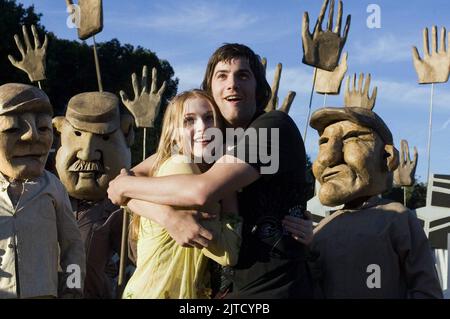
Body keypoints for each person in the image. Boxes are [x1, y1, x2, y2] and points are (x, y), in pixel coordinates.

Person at [108, 43, 313, 298]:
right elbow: (132, 177)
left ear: (259, 88)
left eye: (243, 75)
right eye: (222, 75)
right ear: (210, 90)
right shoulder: (211, 143)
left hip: (273, 291)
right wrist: (166, 216)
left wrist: (123, 189)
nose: (232, 84)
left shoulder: (273, 127)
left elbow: (201, 191)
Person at [307, 104, 443, 298]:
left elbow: (426, 290)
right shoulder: (320, 230)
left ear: (387, 156)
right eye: (324, 142)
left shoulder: (397, 218)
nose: (328, 157)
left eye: (352, 137)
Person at [121, 89, 241, 299]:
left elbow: (120, 188)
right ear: (173, 133)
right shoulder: (183, 168)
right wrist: (230, 181)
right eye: (189, 121)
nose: (203, 128)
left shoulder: (167, 168)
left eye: (209, 118)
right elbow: (228, 251)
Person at [0, 83, 85, 298]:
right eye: (12, 127)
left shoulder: (53, 187)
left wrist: (73, 285)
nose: (33, 137)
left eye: (44, 127)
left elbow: (72, 246)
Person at [53, 92, 135, 298]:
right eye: (78, 134)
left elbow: (135, 257)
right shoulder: (45, 195)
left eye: (104, 137)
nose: (87, 153)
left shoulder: (119, 211)